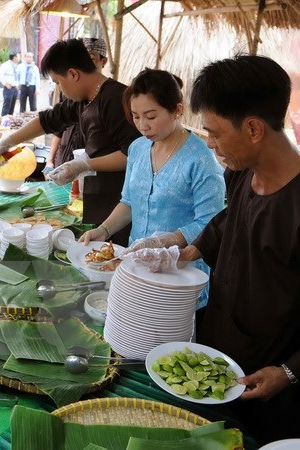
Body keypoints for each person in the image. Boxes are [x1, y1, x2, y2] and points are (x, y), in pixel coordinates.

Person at [178, 54, 300, 445]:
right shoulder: (241, 173)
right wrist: (184, 251)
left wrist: (289, 371)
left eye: (213, 132)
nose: (209, 144)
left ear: (253, 129)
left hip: (268, 380)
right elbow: (230, 223)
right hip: (215, 354)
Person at [79, 68, 225, 308]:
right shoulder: (138, 148)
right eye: (135, 116)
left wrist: (165, 240)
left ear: (177, 110)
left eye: (151, 116)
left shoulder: (200, 159)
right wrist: (104, 231)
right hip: (137, 266)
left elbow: (211, 223)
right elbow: (129, 201)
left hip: (180, 273)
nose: (142, 126)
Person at [0, 39, 140, 246]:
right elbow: (48, 120)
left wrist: (84, 165)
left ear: (73, 74)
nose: (58, 88)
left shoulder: (116, 99)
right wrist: (9, 141)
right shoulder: (82, 99)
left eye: (57, 82)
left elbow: (133, 154)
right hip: (96, 199)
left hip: (121, 207)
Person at [45, 38, 107, 173]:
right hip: (66, 158)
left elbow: (127, 153)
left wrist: (84, 165)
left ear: (103, 61)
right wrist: (50, 160)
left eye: (91, 59)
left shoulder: (111, 99)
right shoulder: (74, 96)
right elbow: (52, 123)